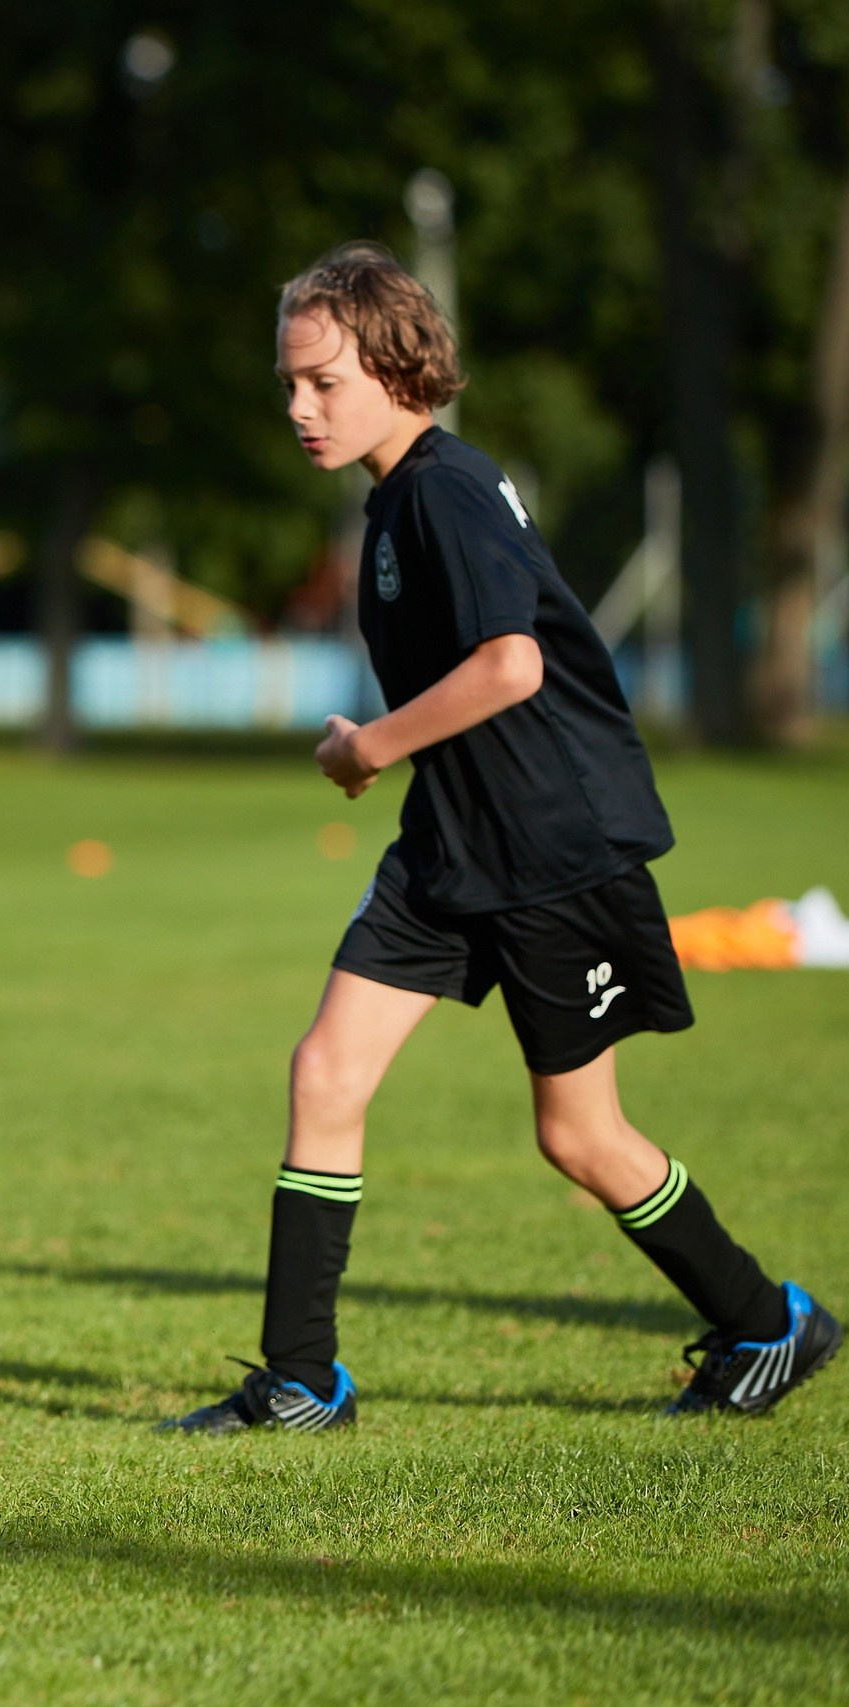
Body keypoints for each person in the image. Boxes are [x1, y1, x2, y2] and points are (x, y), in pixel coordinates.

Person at [165, 243, 835, 1435]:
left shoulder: (446, 489)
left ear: (395, 369)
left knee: (579, 1136)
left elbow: (511, 665)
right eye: (288, 385)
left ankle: (765, 1322)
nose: (298, 408)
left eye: (322, 382)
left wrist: (372, 747)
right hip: (451, 845)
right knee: (325, 1072)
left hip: (548, 848)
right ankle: (301, 1381)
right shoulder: (395, 497)